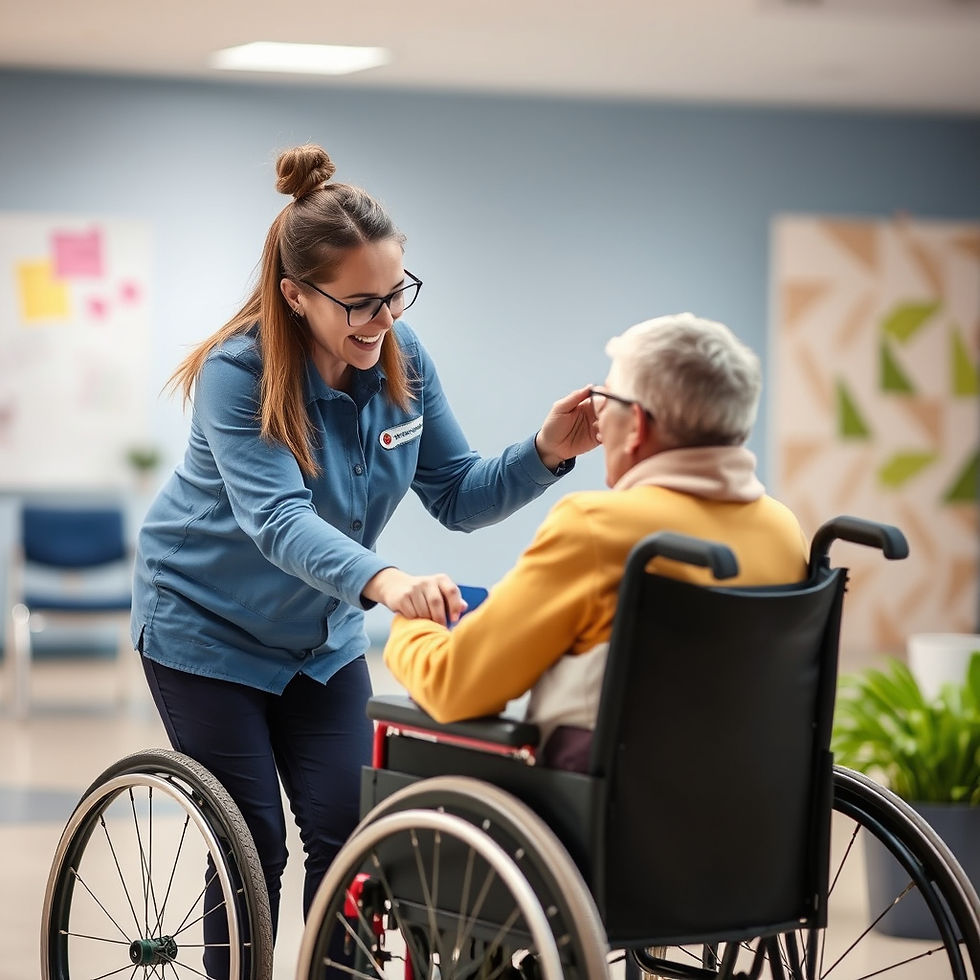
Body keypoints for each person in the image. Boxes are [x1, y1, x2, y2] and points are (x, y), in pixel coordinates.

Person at [130, 142, 598, 973]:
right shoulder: (239, 374)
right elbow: (277, 518)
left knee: (352, 836)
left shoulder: (402, 359)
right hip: (205, 629)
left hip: (321, 639)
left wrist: (545, 451)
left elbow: (457, 493)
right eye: (358, 304)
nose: (381, 322)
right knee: (253, 840)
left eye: (394, 297)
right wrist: (385, 580)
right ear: (296, 295)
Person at [384, 312, 809, 771]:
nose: (598, 416)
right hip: (746, 795)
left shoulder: (598, 528)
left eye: (606, 399)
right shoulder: (783, 531)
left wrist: (412, 621)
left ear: (640, 426)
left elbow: (455, 687)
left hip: (607, 806)